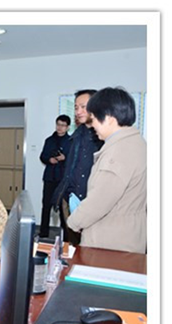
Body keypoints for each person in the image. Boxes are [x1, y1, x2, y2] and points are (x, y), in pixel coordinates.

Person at [67, 87, 147, 254]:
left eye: (94, 118)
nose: (93, 124)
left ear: (109, 118)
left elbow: (99, 202)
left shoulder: (118, 152)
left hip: (111, 242)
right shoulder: (137, 143)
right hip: (129, 236)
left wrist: (73, 222)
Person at [53, 89, 103, 245]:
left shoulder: (103, 138)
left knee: (90, 248)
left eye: (83, 107)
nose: (78, 111)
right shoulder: (76, 136)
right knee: (73, 247)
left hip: (91, 202)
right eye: (76, 107)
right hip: (70, 198)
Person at [38, 114, 73, 239]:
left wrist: (65, 158)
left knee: (64, 208)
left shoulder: (71, 141)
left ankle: (67, 236)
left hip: (63, 179)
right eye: (58, 124)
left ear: (68, 127)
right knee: (46, 206)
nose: (60, 127)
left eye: (63, 125)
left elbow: (74, 160)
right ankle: (43, 233)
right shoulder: (49, 140)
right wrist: (49, 159)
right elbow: (42, 156)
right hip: (50, 177)